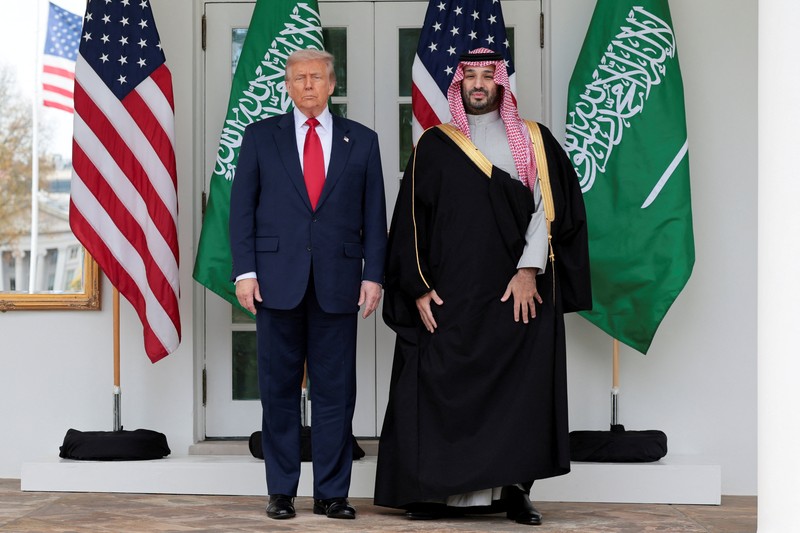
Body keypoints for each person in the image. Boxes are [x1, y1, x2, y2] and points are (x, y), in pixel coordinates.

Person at [373, 48, 591, 526]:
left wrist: (528, 271)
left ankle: (514, 490)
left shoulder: (535, 141)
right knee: (439, 383)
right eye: (468, 76)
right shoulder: (434, 143)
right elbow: (409, 221)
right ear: (459, 84)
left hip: (519, 293)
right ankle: (434, 492)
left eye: (486, 77)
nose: (477, 84)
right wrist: (417, 288)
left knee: (519, 393)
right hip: (451, 294)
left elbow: (548, 211)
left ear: (501, 84)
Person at [229, 49, 387, 521]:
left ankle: (332, 494)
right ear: (288, 85)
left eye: (316, 77)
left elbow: (374, 216)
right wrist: (245, 272)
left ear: (332, 84)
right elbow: (242, 211)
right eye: (298, 79)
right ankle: (281, 491)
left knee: (336, 394)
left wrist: (373, 274)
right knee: (278, 390)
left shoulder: (363, 140)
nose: (307, 86)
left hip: (339, 284)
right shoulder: (260, 138)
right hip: (275, 283)